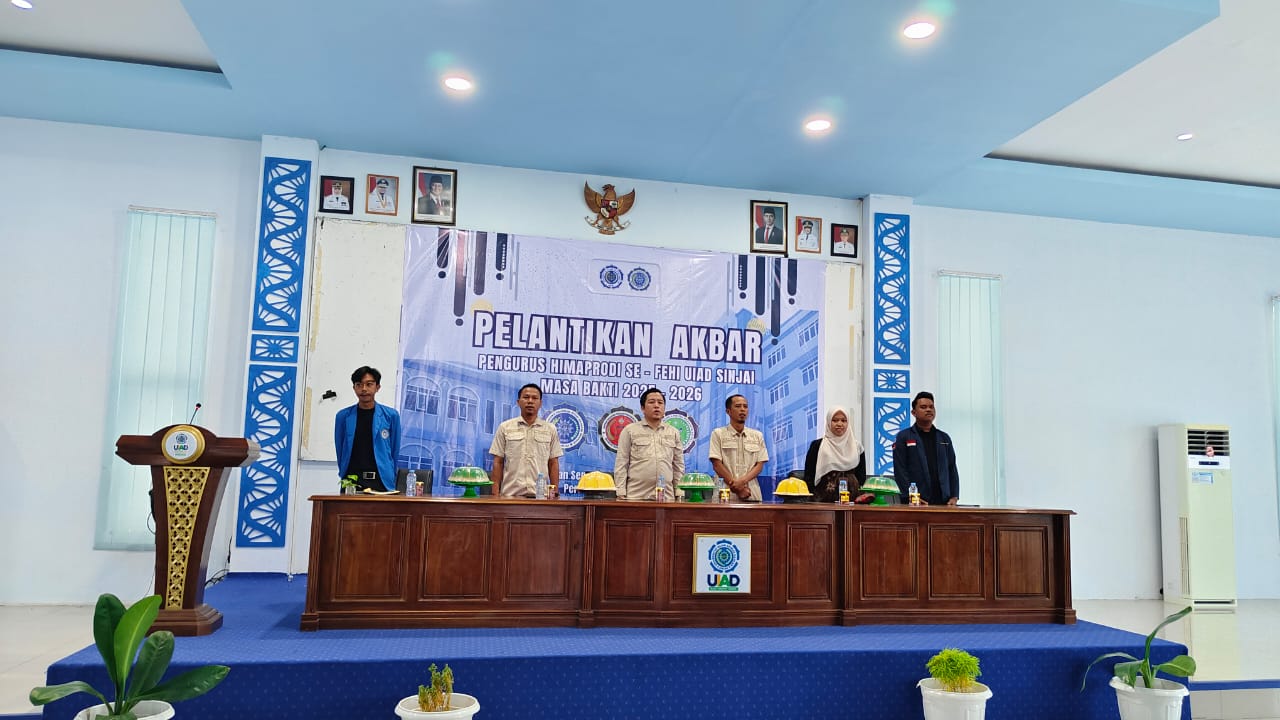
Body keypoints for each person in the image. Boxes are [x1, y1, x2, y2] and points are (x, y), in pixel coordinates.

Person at [489, 383, 563, 498]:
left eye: (534, 398)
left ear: (540, 403)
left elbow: (553, 463)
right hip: (510, 496)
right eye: (526, 397)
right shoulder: (505, 427)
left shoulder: (550, 429)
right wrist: (495, 494)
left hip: (541, 497)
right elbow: (498, 461)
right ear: (518, 402)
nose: (530, 401)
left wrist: (554, 494)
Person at [334, 366, 401, 492]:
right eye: (359, 385)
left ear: (377, 387)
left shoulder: (391, 416)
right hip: (351, 480)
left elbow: (394, 450)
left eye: (369, 384)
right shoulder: (343, 416)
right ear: (354, 388)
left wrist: (390, 474)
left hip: (382, 481)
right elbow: (340, 449)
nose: (364, 389)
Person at [614, 388, 684, 500]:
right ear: (643, 407)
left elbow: (678, 465)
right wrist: (620, 491)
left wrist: (679, 492)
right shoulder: (630, 430)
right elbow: (621, 462)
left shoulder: (673, 432)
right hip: (636, 496)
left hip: (666, 497)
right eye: (651, 402)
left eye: (660, 403)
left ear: (664, 407)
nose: (656, 406)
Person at [892, 391, 959, 505]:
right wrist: (911, 497)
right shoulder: (904, 437)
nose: (928, 410)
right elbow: (900, 471)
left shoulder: (944, 438)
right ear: (913, 412)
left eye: (931, 407)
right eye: (923, 407)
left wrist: (954, 496)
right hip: (915, 501)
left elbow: (952, 468)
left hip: (943, 501)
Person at [802, 406, 872, 503]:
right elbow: (809, 475)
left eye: (843, 420)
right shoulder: (818, 445)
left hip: (852, 501)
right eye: (835, 420)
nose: (839, 424)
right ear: (828, 422)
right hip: (822, 501)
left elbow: (861, 477)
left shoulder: (857, 447)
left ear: (848, 423)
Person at [709, 394, 768, 502]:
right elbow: (716, 464)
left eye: (745, 406)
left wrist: (741, 482)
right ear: (728, 411)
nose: (742, 409)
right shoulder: (718, 433)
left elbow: (759, 465)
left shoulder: (757, 435)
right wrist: (739, 489)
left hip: (750, 493)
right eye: (738, 406)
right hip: (725, 494)